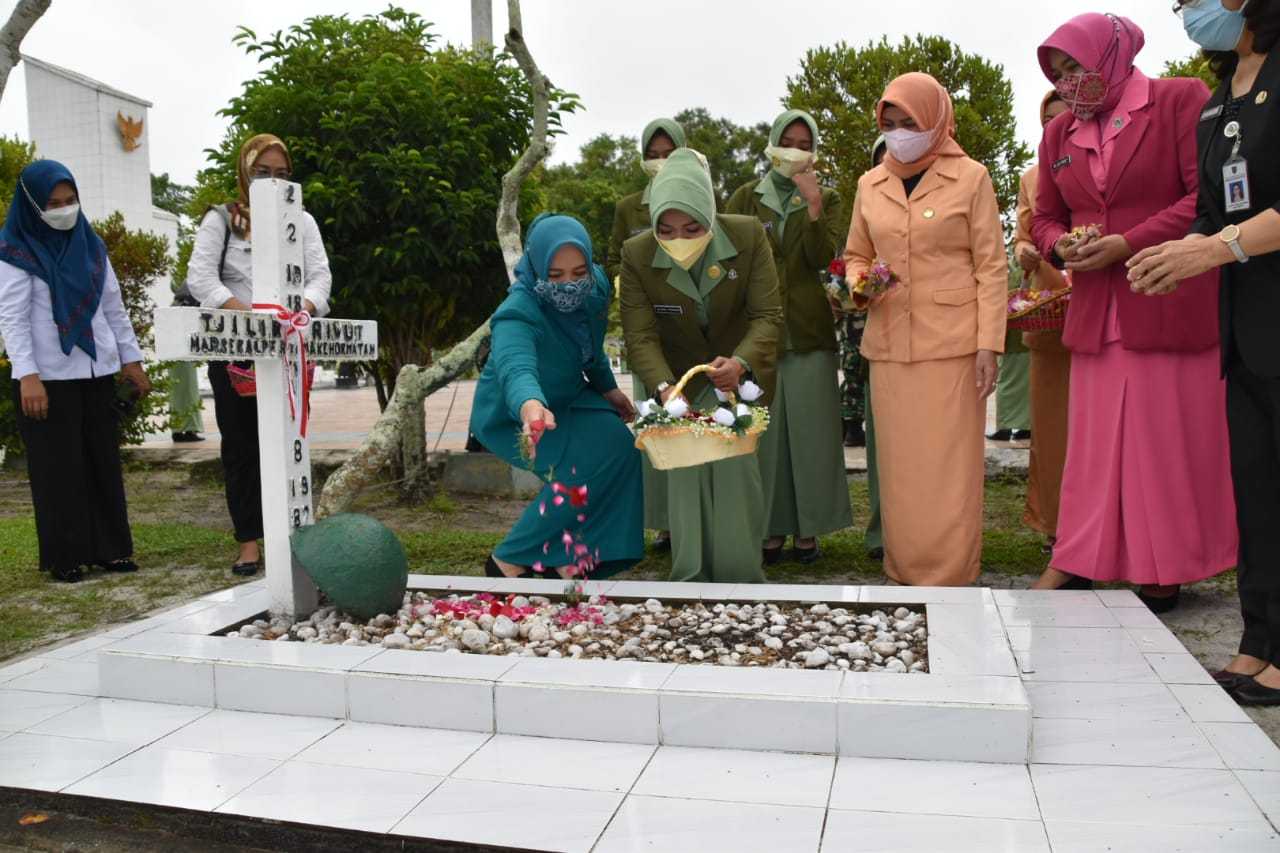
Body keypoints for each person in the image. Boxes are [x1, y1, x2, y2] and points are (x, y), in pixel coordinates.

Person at [1030, 13, 1236, 610]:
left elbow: (1205, 198)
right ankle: (1078, 559)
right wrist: (1059, 246)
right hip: (1097, 311)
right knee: (1092, 449)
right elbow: (1046, 217)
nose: (1070, 82)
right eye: (1060, 73)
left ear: (1114, 53)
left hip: (1166, 295)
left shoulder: (1178, 100)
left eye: (1077, 66)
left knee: (1164, 441)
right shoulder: (1058, 134)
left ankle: (1164, 565)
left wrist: (1127, 242)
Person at [1128, 0, 1280, 702]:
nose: (1187, 10)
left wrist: (1213, 249)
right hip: (1245, 328)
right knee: (1256, 487)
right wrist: (1174, 252)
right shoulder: (1215, 102)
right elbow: (1214, 215)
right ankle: (1257, 641)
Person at [843, 72, 1007, 587]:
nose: (897, 132)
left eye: (908, 122)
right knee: (900, 470)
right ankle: (904, 569)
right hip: (890, 344)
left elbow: (992, 267)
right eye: (888, 124)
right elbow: (856, 254)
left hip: (955, 344)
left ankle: (953, 573)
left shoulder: (972, 177)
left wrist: (989, 345)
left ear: (934, 120)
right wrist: (859, 282)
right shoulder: (870, 184)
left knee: (950, 468)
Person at [620, 148, 784, 583]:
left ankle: (739, 571)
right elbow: (639, 335)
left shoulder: (747, 237)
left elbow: (768, 315)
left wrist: (742, 362)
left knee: (735, 464)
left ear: (711, 215)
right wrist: (663, 387)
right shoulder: (636, 255)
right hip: (675, 379)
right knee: (687, 469)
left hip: (735, 371)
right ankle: (690, 571)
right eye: (666, 229)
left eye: (692, 227)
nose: (679, 238)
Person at [186, 133, 332, 577]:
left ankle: (293, 537)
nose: (272, 182)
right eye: (262, 173)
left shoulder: (303, 221)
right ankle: (248, 543)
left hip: (290, 346)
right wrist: (250, 319)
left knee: (290, 443)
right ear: (245, 173)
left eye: (282, 174)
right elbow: (200, 280)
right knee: (243, 449)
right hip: (236, 350)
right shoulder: (222, 220)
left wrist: (298, 312)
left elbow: (320, 277)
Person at [0, 160, 150, 583]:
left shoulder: (91, 244)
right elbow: (11, 318)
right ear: (32, 205)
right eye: (53, 203)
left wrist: (131, 360)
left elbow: (113, 308)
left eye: (71, 201)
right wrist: (27, 375)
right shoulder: (15, 252)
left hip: (96, 370)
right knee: (57, 468)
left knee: (101, 461)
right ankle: (66, 556)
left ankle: (111, 550)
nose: (64, 209)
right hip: (46, 378)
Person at [471, 214, 642, 579]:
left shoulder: (595, 290)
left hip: (569, 396)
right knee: (577, 468)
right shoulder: (517, 312)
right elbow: (517, 368)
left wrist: (608, 389)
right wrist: (531, 405)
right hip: (515, 411)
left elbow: (590, 344)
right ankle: (508, 561)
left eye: (578, 273)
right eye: (556, 275)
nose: (569, 285)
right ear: (536, 268)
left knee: (619, 446)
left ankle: (571, 559)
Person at [727, 109, 852, 564]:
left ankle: (810, 531)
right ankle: (769, 530)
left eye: (805, 143)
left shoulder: (829, 198)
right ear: (773, 142)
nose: (795, 150)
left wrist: (814, 206)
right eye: (788, 140)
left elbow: (822, 258)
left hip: (808, 330)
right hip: (756, 334)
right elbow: (732, 260)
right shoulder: (745, 196)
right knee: (766, 437)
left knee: (813, 436)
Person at [607, 117, 685, 553]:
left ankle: (694, 513)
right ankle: (664, 523)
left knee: (689, 422)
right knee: (654, 425)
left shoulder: (698, 202)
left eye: (669, 154)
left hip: (690, 326)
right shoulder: (629, 208)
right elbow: (616, 256)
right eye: (653, 155)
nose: (660, 162)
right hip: (645, 327)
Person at [1016, 91, 1073, 549]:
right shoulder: (1032, 177)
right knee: (1052, 434)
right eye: (1049, 118)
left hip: (1101, 319)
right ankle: (1056, 527)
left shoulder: (1102, 166)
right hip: (1050, 317)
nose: (1057, 125)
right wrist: (1025, 252)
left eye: (1066, 116)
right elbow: (1020, 237)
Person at [861, 136, 888, 561]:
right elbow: (853, 257)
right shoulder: (866, 198)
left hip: (938, 336)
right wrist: (859, 281)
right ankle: (884, 531)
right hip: (879, 332)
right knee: (883, 444)